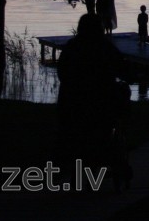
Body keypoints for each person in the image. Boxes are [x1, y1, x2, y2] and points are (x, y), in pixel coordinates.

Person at [56, 13, 134, 189]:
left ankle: (75, 166)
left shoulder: (72, 47)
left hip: (72, 103)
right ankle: (115, 159)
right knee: (115, 112)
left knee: (75, 131)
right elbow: (122, 67)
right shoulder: (105, 47)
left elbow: (62, 73)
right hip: (101, 103)